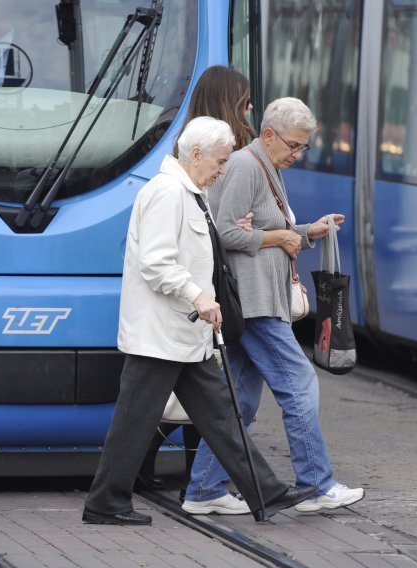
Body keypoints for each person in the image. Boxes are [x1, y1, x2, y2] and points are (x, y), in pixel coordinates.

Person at [82, 116, 316, 526]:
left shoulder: (189, 192)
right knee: (136, 420)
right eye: (221, 162)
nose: (223, 170)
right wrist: (199, 297)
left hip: (185, 334)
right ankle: (105, 503)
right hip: (161, 334)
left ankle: (266, 493)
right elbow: (156, 263)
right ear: (195, 154)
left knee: (223, 417)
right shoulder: (168, 193)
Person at [182, 98, 365, 514]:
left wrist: (306, 232)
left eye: (304, 147)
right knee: (299, 385)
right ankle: (316, 485)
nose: (298, 155)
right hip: (255, 299)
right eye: (294, 145)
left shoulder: (265, 165)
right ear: (268, 134)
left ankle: (204, 491)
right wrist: (279, 238)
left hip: (258, 297)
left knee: (241, 402)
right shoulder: (249, 166)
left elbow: (268, 229)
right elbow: (227, 234)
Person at [137, 65, 258, 497]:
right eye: (245, 102)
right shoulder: (182, 180)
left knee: (206, 403)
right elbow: (162, 256)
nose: (251, 110)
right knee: (200, 401)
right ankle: (208, 485)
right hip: (188, 306)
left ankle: (251, 488)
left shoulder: (192, 167)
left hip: (193, 308)